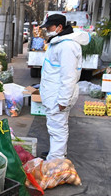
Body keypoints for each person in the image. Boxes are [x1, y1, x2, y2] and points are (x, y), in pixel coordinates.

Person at [39, 14, 89, 160]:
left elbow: (69, 77)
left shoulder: (67, 46)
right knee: (55, 127)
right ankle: (56, 154)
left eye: (49, 27)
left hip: (58, 96)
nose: (47, 30)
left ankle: (56, 163)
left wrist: (63, 101)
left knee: (58, 129)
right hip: (53, 93)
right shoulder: (59, 42)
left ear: (60, 27)